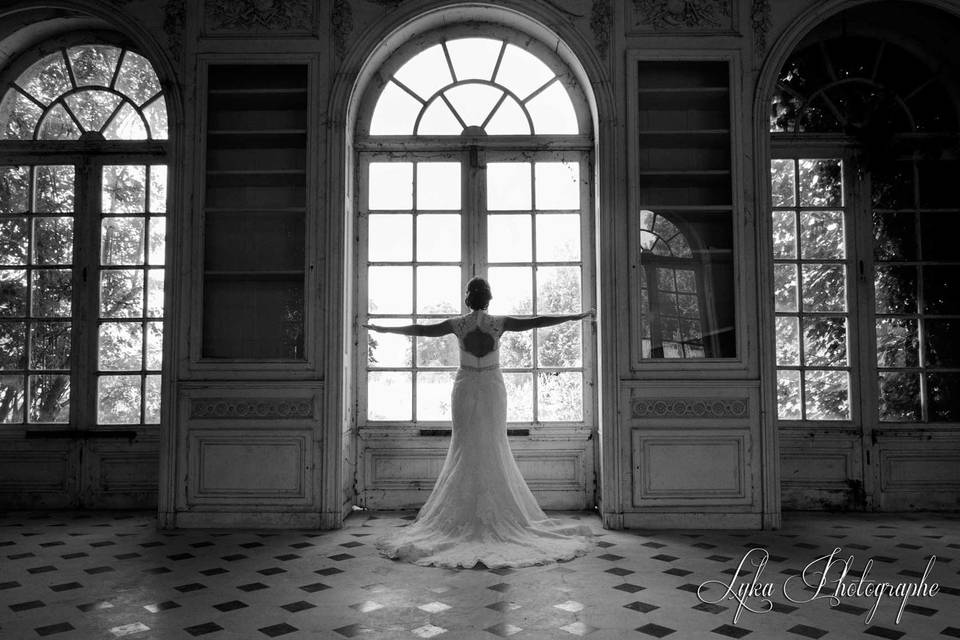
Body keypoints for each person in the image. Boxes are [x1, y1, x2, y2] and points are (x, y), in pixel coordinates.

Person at [363, 276, 596, 568]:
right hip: (491, 387)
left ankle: (466, 516)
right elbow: (537, 321)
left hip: (466, 387)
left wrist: (384, 329)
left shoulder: (457, 325)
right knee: (492, 445)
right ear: (489, 298)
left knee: (466, 447)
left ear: (467, 298)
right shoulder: (499, 322)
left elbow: (420, 330)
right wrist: (574, 316)